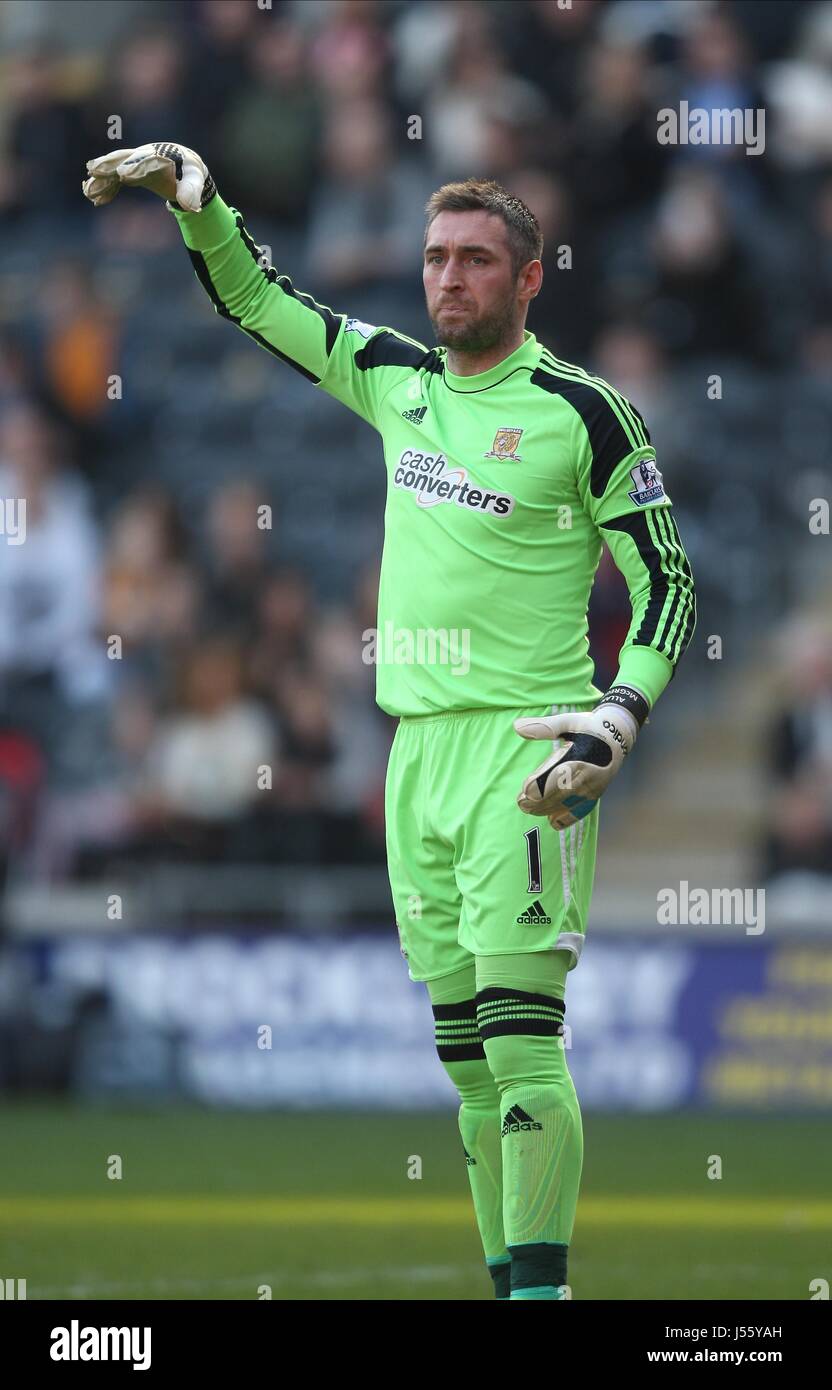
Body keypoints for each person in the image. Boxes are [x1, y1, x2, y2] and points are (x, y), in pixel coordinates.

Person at [82, 143, 696, 1301]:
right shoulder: (394, 378)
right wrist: (201, 203)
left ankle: (544, 1297)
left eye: (475, 259)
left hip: (528, 751)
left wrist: (620, 710)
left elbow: (668, 581)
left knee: (521, 1043)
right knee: (465, 1061)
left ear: (527, 281)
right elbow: (262, 300)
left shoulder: (584, 412)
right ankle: (508, 1282)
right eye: (433, 258)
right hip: (415, 755)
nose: (448, 278)